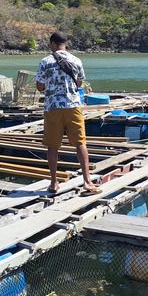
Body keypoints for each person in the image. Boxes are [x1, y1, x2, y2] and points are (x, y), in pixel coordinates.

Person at [37, 32, 101, 195]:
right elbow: (79, 82)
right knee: (80, 142)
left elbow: (40, 87)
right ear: (66, 44)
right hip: (73, 105)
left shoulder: (45, 61)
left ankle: (53, 183)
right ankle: (87, 181)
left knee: (53, 145)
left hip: (53, 107)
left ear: (52, 43)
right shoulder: (76, 60)